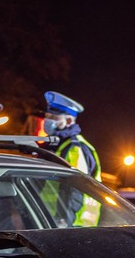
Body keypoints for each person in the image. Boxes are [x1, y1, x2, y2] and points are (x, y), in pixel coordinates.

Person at [43, 91, 103, 226]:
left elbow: (75, 188)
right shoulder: (57, 145)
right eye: (47, 116)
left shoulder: (74, 148)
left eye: (54, 117)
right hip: (53, 220)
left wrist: (65, 220)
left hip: (74, 222)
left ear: (69, 120)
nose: (48, 120)